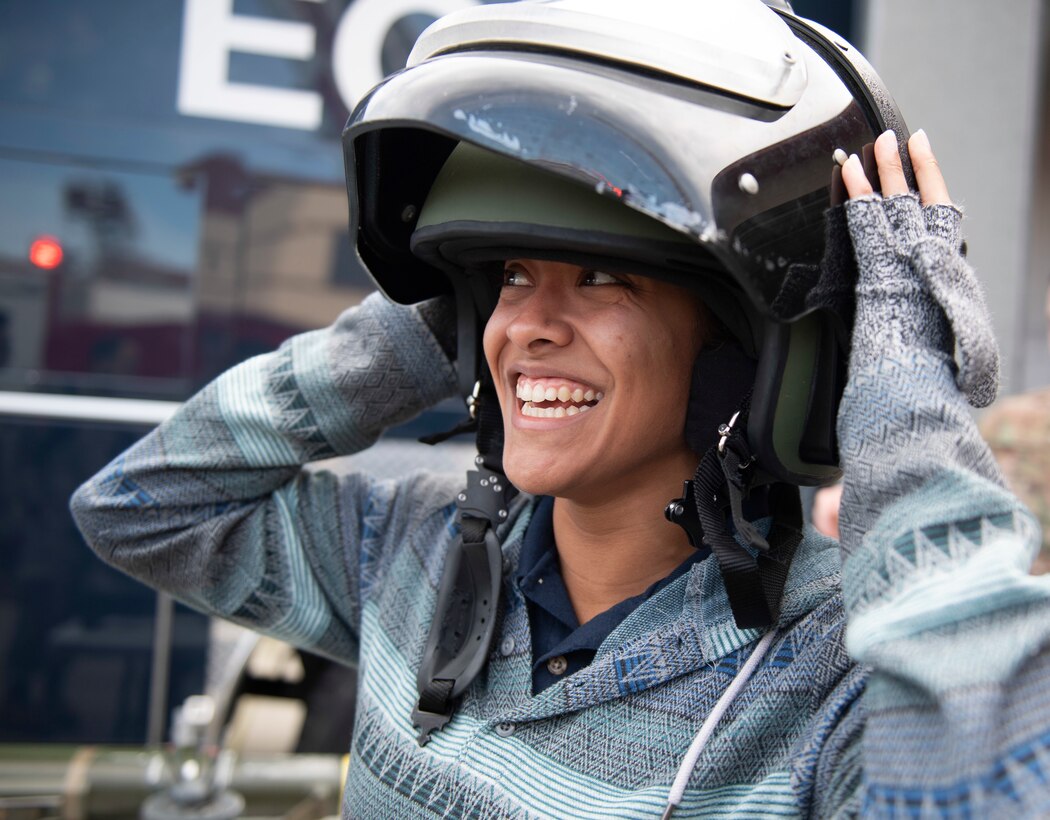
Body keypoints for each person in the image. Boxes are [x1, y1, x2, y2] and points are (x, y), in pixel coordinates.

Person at [72, 1, 1048, 816]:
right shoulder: (410, 555)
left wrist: (902, 392)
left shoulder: (829, 675)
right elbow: (143, 508)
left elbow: (981, 782)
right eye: (507, 276)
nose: (525, 324)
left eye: (598, 278)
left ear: (737, 350)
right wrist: (420, 329)